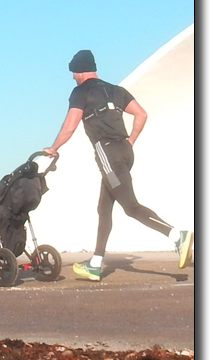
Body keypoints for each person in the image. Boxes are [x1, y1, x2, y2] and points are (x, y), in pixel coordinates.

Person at [43, 49, 192, 281]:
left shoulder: (80, 92)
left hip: (108, 153)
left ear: (79, 70)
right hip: (124, 151)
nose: (73, 77)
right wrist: (130, 141)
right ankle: (95, 263)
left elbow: (70, 126)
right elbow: (141, 114)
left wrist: (53, 148)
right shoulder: (115, 90)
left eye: (73, 72)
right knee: (104, 209)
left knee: (130, 207)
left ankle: (176, 236)